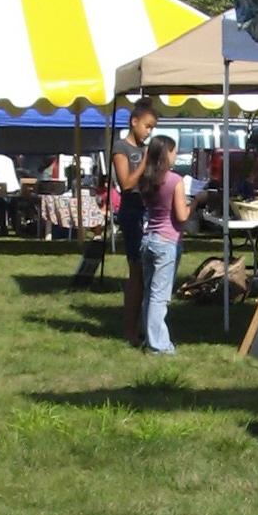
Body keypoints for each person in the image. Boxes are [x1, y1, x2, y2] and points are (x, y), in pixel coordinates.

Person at [137, 134, 192, 354]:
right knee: (160, 297)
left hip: (149, 238)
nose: (176, 155)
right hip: (167, 241)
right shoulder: (175, 180)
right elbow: (182, 216)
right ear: (166, 153)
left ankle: (149, 336)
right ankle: (158, 345)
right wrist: (196, 202)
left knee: (149, 294)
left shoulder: (146, 179)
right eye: (174, 151)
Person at [112, 101, 158, 345]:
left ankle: (144, 326)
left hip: (148, 210)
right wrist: (145, 161)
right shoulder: (121, 148)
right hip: (132, 212)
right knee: (136, 272)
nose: (149, 132)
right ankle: (130, 329)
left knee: (148, 272)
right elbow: (127, 184)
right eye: (147, 126)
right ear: (134, 122)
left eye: (152, 128)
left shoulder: (144, 148)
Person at [0, 152, 21, 236]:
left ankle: (2, 229)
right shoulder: (8, 159)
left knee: (0, 209)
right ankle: (17, 228)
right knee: (14, 210)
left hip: (0, 186)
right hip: (13, 185)